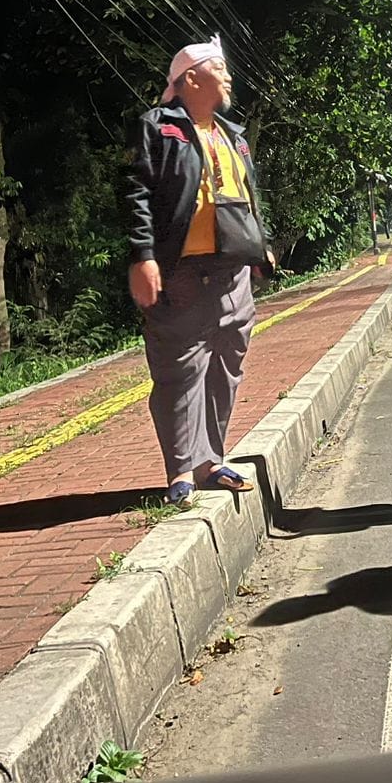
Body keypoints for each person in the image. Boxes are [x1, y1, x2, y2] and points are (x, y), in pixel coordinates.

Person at [125, 37, 273, 505]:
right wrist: (143, 255)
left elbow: (248, 195)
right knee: (180, 370)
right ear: (191, 78)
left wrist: (260, 247)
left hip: (233, 272)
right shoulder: (158, 127)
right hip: (183, 272)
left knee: (225, 368)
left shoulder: (233, 134)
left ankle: (211, 461)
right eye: (220, 68)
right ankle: (181, 470)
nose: (228, 77)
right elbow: (136, 193)